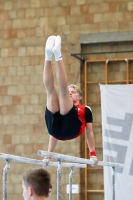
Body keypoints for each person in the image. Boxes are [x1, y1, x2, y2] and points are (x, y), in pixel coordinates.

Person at [43, 35, 98, 166]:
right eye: (69, 92)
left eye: (72, 93)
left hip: (72, 129)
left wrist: (93, 154)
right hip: (55, 130)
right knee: (51, 92)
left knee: (61, 93)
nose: (70, 94)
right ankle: (48, 56)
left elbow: (89, 132)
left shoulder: (85, 109)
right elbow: (53, 134)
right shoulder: (62, 102)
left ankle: (58, 55)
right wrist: (48, 156)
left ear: (80, 97)